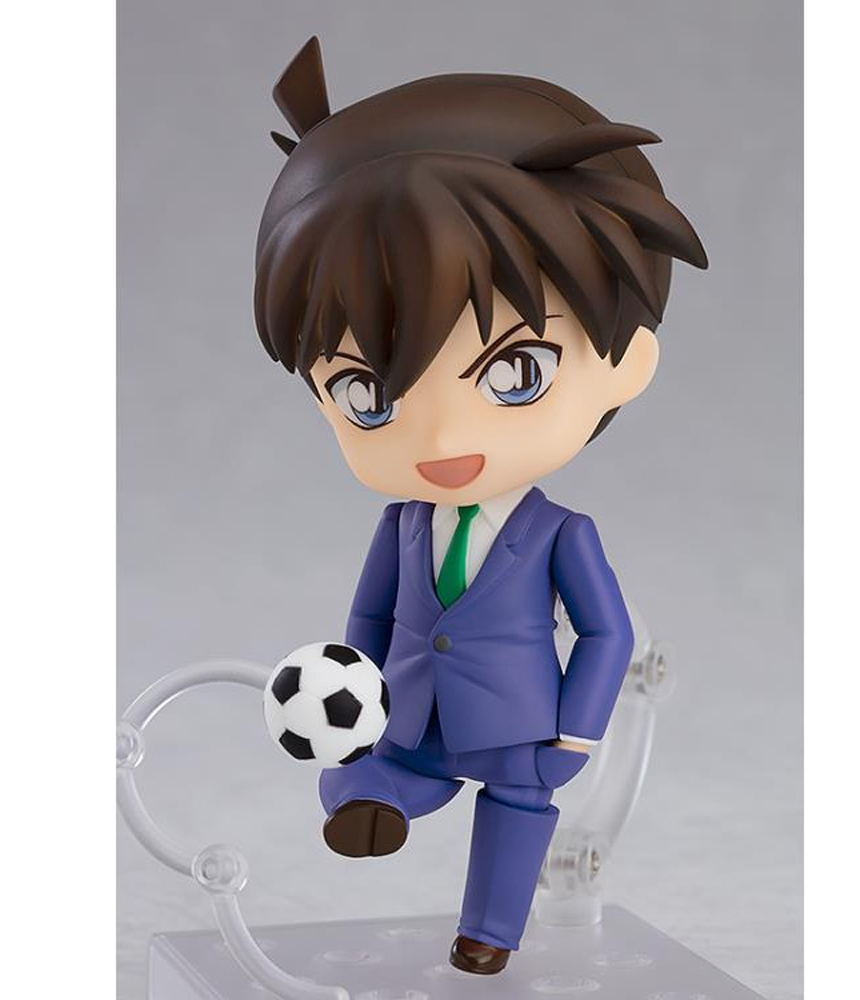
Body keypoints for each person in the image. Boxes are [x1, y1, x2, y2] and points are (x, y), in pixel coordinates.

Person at [253, 36, 707, 974]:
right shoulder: (401, 524)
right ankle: (371, 801)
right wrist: (360, 698)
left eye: (514, 372)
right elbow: (370, 616)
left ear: (625, 363)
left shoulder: (560, 534)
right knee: (372, 779)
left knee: (516, 814)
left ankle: (488, 934)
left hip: (520, 730)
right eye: (366, 393)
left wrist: (574, 736)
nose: (441, 435)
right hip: (411, 721)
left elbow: (607, 634)